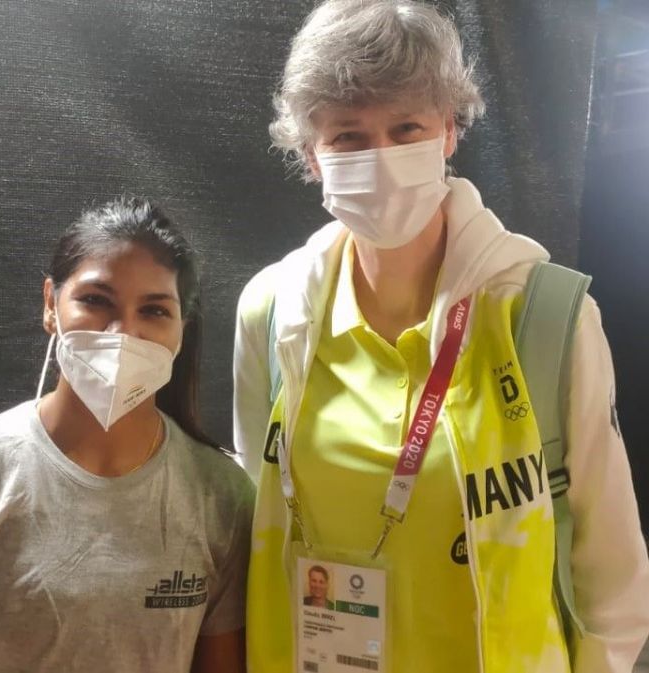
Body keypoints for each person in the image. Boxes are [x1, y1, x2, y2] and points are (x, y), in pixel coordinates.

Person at [232, 2, 649, 672]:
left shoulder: (543, 314)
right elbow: (256, 515)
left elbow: (611, 567)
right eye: (347, 137)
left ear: (450, 130)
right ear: (310, 152)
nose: (382, 158)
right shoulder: (272, 312)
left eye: (407, 128)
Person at [0, 196, 254, 673]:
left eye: (154, 311)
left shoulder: (223, 497)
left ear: (181, 331)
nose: (122, 333)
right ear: (50, 304)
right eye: (96, 301)